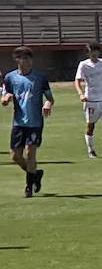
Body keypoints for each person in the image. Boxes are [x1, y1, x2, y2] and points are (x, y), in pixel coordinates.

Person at [2, 46, 54, 197]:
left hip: (35, 122)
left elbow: (50, 98)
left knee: (31, 153)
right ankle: (36, 174)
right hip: (18, 122)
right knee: (15, 156)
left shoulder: (40, 77)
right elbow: (5, 95)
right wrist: (5, 100)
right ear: (17, 60)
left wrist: (47, 103)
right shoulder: (10, 77)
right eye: (24, 58)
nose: (28, 61)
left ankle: (29, 187)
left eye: (29, 58)